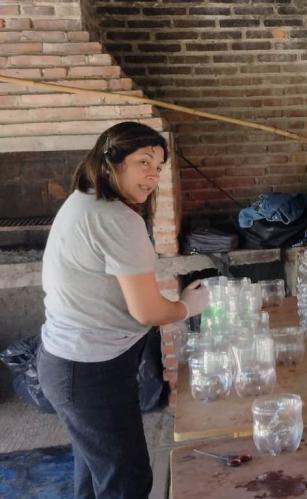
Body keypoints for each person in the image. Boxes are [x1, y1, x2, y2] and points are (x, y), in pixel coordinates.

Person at [37, 122, 210, 499]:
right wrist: (187, 306)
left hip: (69, 361)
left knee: (96, 473)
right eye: (142, 161)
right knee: (127, 481)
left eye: (159, 166)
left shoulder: (85, 199)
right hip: (88, 372)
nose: (153, 174)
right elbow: (148, 311)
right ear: (109, 161)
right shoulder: (116, 217)